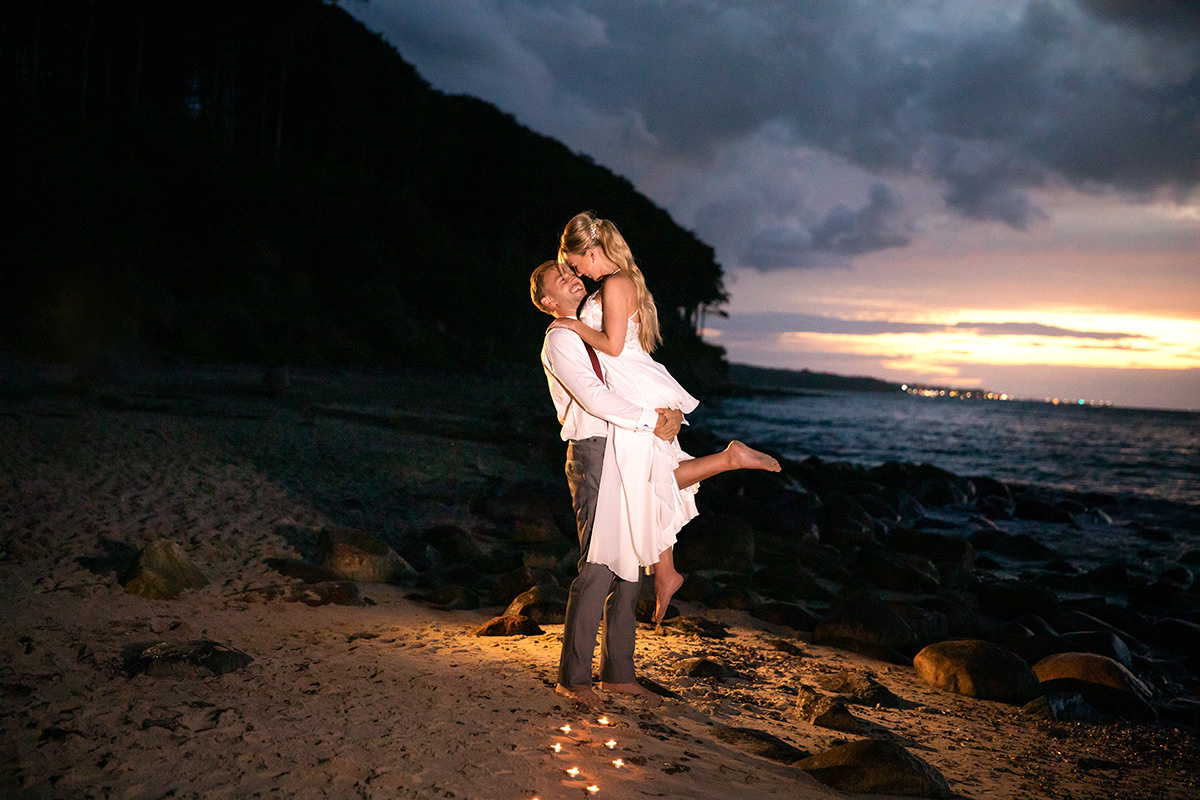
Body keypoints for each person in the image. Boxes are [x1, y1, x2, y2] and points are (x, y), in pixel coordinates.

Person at [551, 211, 781, 624]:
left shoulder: (616, 283)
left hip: (634, 385)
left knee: (652, 478)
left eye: (575, 262)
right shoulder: (619, 282)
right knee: (654, 478)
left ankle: (728, 461)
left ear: (590, 250)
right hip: (635, 383)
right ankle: (666, 573)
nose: (577, 271)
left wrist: (571, 324)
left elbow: (613, 346)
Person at [532, 259, 679, 709]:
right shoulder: (560, 338)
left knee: (629, 559)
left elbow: (632, 375)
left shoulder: (595, 328)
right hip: (593, 451)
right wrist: (651, 420)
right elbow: (594, 397)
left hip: (624, 446)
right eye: (561, 279)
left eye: (571, 271)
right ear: (548, 301)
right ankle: (573, 677)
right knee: (598, 563)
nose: (573, 277)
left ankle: (618, 674)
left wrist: (668, 410)